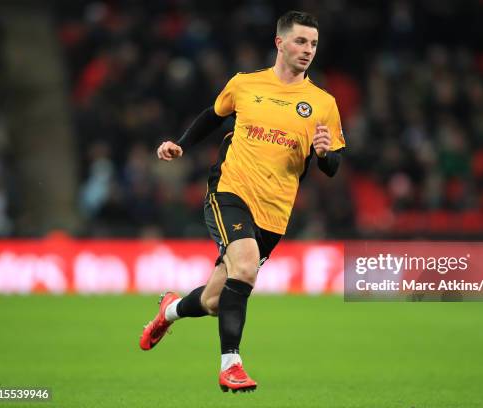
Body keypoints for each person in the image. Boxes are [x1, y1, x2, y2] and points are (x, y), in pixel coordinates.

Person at [139, 10, 346, 393]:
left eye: (314, 44)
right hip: (230, 192)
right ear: (279, 42)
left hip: (275, 212)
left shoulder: (322, 103)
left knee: (216, 299)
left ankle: (168, 310)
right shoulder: (245, 85)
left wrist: (322, 154)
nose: (308, 50)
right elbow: (212, 116)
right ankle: (230, 364)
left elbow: (332, 164)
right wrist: (180, 145)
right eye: (300, 41)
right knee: (246, 266)